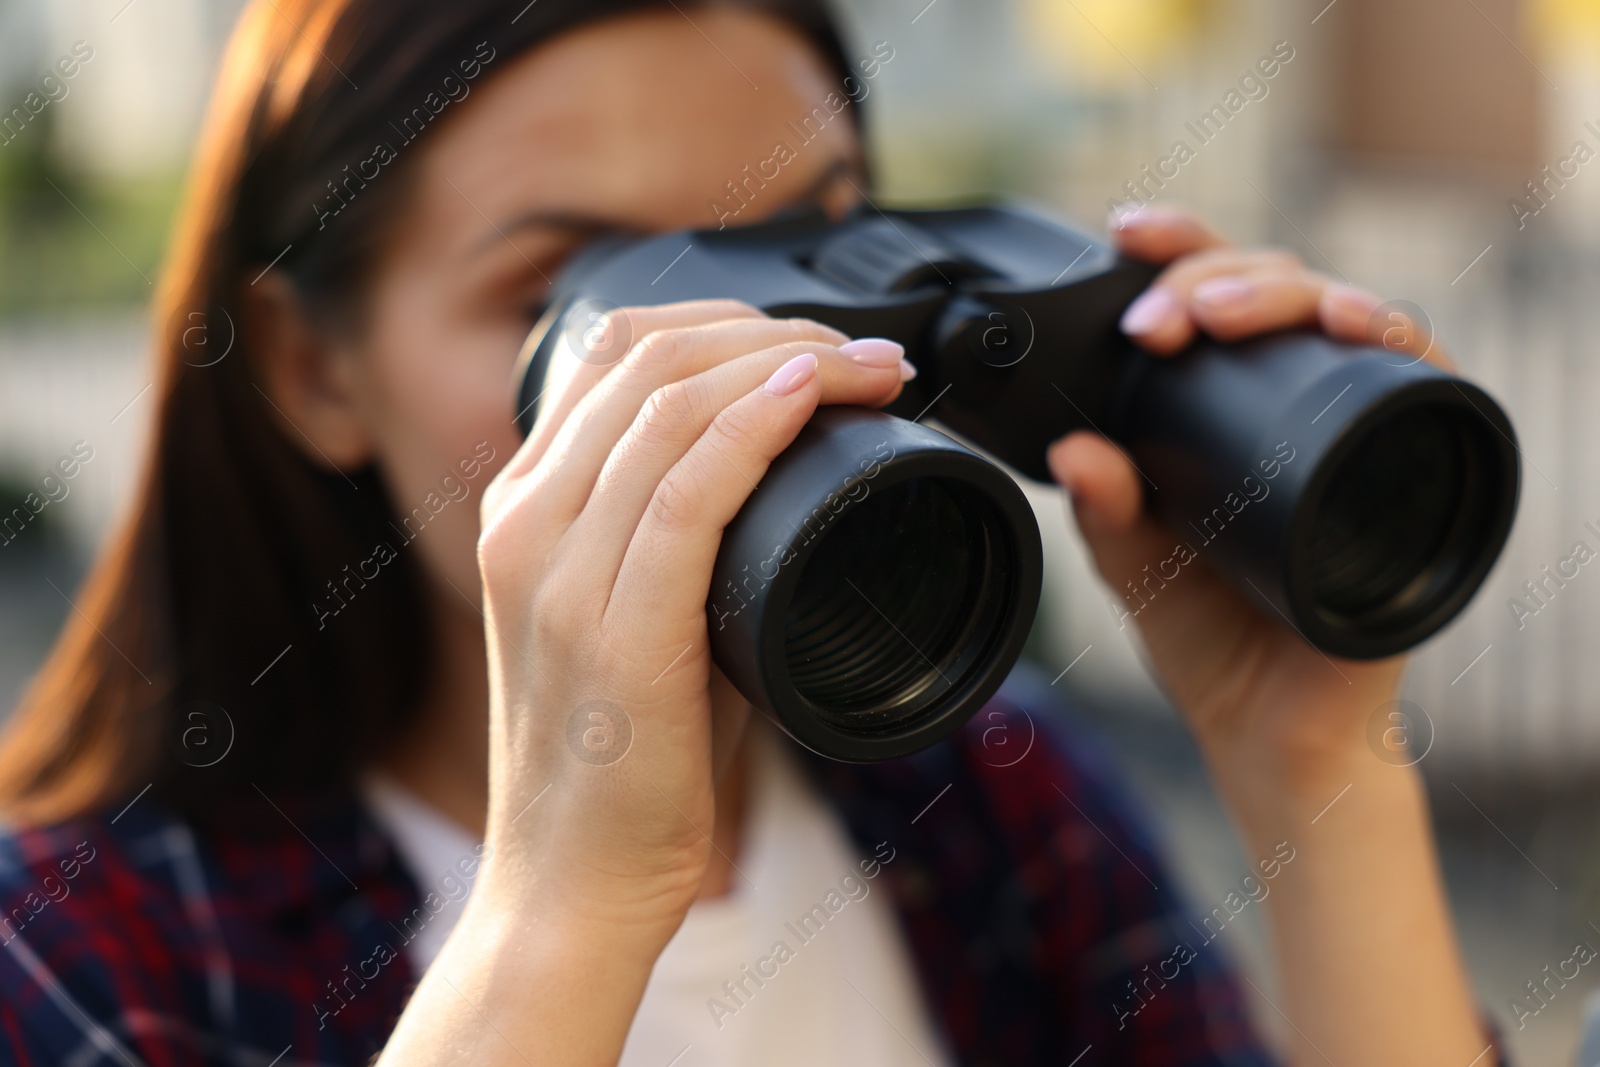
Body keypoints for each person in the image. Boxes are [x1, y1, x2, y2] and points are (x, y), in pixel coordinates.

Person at [0, 0, 1496, 1064]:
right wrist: (557, 922)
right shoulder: (84, 955)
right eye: (584, 296)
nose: (739, 383)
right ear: (313, 365)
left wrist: (1318, 776)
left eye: (813, 242)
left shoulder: (985, 800)